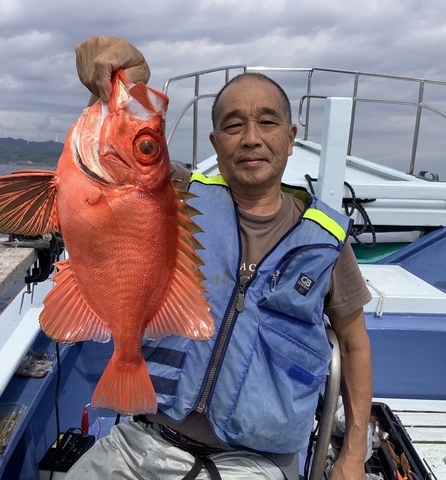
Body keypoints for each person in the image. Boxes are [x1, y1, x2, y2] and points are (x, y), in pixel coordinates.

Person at [66, 36, 373, 480]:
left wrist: (353, 452)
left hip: (254, 461)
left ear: (290, 139)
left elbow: (354, 345)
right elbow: (128, 163)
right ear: (215, 141)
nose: (251, 139)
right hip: (146, 440)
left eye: (267, 123)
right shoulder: (179, 196)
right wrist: (126, 80)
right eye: (233, 126)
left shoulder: (325, 240)